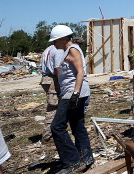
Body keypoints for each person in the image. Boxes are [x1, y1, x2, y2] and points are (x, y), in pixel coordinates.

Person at [50, 25, 94, 173]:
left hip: (74, 92)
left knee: (57, 126)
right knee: (77, 125)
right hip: (74, 92)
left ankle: (73, 161)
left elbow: (80, 72)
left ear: (63, 38)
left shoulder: (73, 49)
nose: (53, 43)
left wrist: (75, 93)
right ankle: (86, 157)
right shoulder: (67, 51)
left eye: (55, 40)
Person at [39, 40, 64, 142]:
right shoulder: (57, 50)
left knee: (53, 106)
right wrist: (62, 82)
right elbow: (57, 68)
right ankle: (48, 136)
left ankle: (52, 132)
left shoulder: (47, 49)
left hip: (46, 79)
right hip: (53, 80)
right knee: (53, 108)